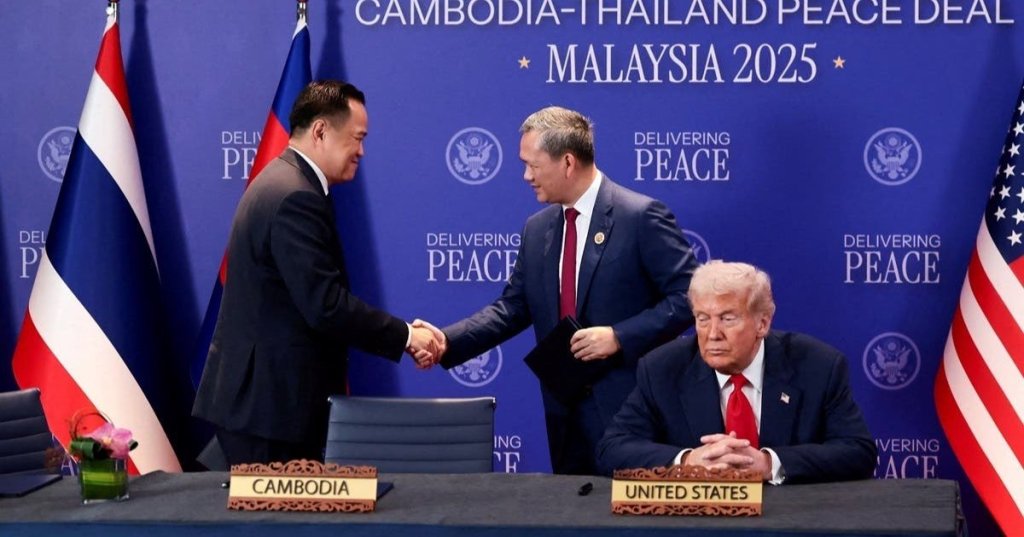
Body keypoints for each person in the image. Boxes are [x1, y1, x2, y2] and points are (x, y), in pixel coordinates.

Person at [415, 106, 698, 475]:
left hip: (630, 408)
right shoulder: (538, 229)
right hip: (563, 409)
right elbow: (512, 308)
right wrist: (447, 341)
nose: (526, 175)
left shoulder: (640, 217)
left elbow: (692, 298)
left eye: (533, 165)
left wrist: (619, 336)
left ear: (567, 162)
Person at [193, 80, 438, 465]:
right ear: (321, 130)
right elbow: (325, 306)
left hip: (267, 407)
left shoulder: (283, 180)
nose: (362, 150)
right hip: (271, 412)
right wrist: (406, 335)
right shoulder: (296, 196)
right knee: (275, 524)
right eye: (357, 138)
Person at [596, 261, 876, 483]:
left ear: (762, 323)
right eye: (703, 319)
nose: (712, 334)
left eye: (728, 319)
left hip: (790, 522)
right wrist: (688, 462)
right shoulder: (662, 369)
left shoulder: (817, 366)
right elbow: (613, 448)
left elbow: (858, 451)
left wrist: (769, 464)